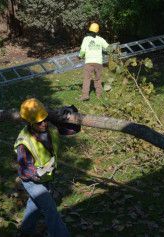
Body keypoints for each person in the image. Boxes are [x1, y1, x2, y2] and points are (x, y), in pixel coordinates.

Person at [14, 98, 80, 237]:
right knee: (51, 211)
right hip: (32, 182)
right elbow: (24, 169)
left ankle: (25, 231)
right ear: (30, 123)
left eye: (45, 119)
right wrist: (38, 174)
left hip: (45, 178)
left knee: (35, 205)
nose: (44, 123)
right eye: (39, 122)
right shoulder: (24, 142)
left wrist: (71, 113)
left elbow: (73, 129)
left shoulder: (50, 127)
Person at [78, 22, 109, 101]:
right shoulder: (100, 39)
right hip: (98, 62)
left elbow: (82, 50)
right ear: (97, 31)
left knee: (86, 78)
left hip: (89, 62)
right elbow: (108, 48)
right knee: (98, 79)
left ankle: (85, 95)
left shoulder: (86, 39)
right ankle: (99, 95)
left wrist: (80, 56)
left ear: (90, 30)